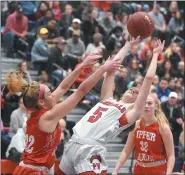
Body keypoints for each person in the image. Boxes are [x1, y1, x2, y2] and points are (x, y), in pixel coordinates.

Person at [59, 38, 165, 174]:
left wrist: (155, 54)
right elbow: (111, 69)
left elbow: (149, 78)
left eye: (138, 92)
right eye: (133, 87)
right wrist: (127, 46)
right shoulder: (107, 98)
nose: (134, 89)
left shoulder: (132, 112)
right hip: (72, 143)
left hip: (91, 149)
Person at [6, 54, 120, 175]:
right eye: (50, 93)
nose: (53, 95)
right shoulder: (47, 117)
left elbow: (63, 86)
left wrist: (83, 65)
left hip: (30, 169)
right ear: (41, 101)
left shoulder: (38, 110)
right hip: (32, 171)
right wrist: (103, 68)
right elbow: (81, 91)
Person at [113, 93, 175, 175]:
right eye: (144, 103)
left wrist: (168, 172)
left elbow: (171, 155)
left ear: (156, 107)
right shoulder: (136, 124)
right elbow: (126, 150)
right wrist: (116, 170)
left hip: (157, 169)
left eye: (149, 103)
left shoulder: (163, 127)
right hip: (138, 168)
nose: (146, 106)